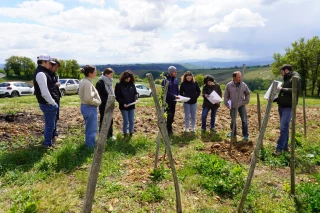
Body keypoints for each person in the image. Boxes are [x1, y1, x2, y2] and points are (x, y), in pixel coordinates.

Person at [273, 64, 301, 156]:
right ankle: (285, 147)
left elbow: (295, 90)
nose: (281, 74)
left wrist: (282, 89)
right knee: (284, 128)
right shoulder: (287, 78)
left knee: (283, 127)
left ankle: (279, 149)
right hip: (282, 106)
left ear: (286, 70)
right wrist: (277, 99)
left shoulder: (295, 77)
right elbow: (285, 94)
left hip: (288, 107)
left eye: (282, 72)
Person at [33, 54, 59, 148]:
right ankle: (47, 144)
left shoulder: (43, 72)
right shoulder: (41, 74)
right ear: (43, 62)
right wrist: (53, 103)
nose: (50, 65)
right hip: (48, 104)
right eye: (49, 63)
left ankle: (48, 143)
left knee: (50, 125)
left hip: (47, 103)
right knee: (50, 126)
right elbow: (44, 92)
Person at [78, 65, 101, 147]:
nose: (96, 73)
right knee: (92, 129)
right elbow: (88, 98)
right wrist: (97, 102)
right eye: (95, 72)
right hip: (90, 107)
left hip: (86, 107)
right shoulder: (87, 83)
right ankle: (90, 147)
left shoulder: (84, 81)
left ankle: (89, 145)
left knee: (90, 127)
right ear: (90, 73)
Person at [224, 71, 250, 141]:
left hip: (241, 105)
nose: (240, 78)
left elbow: (247, 93)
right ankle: (233, 133)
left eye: (241, 77)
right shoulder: (229, 85)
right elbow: (226, 95)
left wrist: (246, 101)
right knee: (233, 120)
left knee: (244, 120)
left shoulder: (243, 85)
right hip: (233, 106)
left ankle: (245, 135)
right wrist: (226, 103)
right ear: (234, 77)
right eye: (239, 77)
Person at [115, 70, 138, 136]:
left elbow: (135, 93)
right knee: (126, 120)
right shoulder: (119, 85)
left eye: (129, 78)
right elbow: (117, 96)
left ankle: (131, 132)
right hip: (124, 106)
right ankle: (124, 133)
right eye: (127, 78)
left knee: (131, 120)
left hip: (131, 105)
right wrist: (123, 103)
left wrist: (136, 99)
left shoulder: (132, 84)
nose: (128, 79)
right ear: (124, 78)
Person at [96, 68, 115, 140]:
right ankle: (103, 135)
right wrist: (107, 100)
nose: (112, 76)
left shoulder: (109, 83)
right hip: (103, 105)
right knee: (104, 120)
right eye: (110, 75)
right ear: (106, 74)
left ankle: (110, 134)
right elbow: (98, 95)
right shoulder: (100, 83)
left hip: (110, 104)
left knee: (110, 120)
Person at [161, 66, 179, 135]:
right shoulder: (165, 81)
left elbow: (177, 89)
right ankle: (167, 130)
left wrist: (179, 96)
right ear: (171, 72)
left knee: (172, 116)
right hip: (167, 101)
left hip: (174, 101)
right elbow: (165, 92)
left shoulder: (176, 80)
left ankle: (169, 128)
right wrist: (174, 96)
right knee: (169, 115)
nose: (176, 73)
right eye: (175, 72)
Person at [50, 58, 61, 140]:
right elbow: (49, 87)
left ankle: (54, 132)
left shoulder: (53, 74)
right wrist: (56, 85)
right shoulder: (47, 74)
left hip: (56, 98)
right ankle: (52, 135)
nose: (56, 69)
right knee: (52, 118)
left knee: (56, 117)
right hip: (51, 99)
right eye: (55, 67)